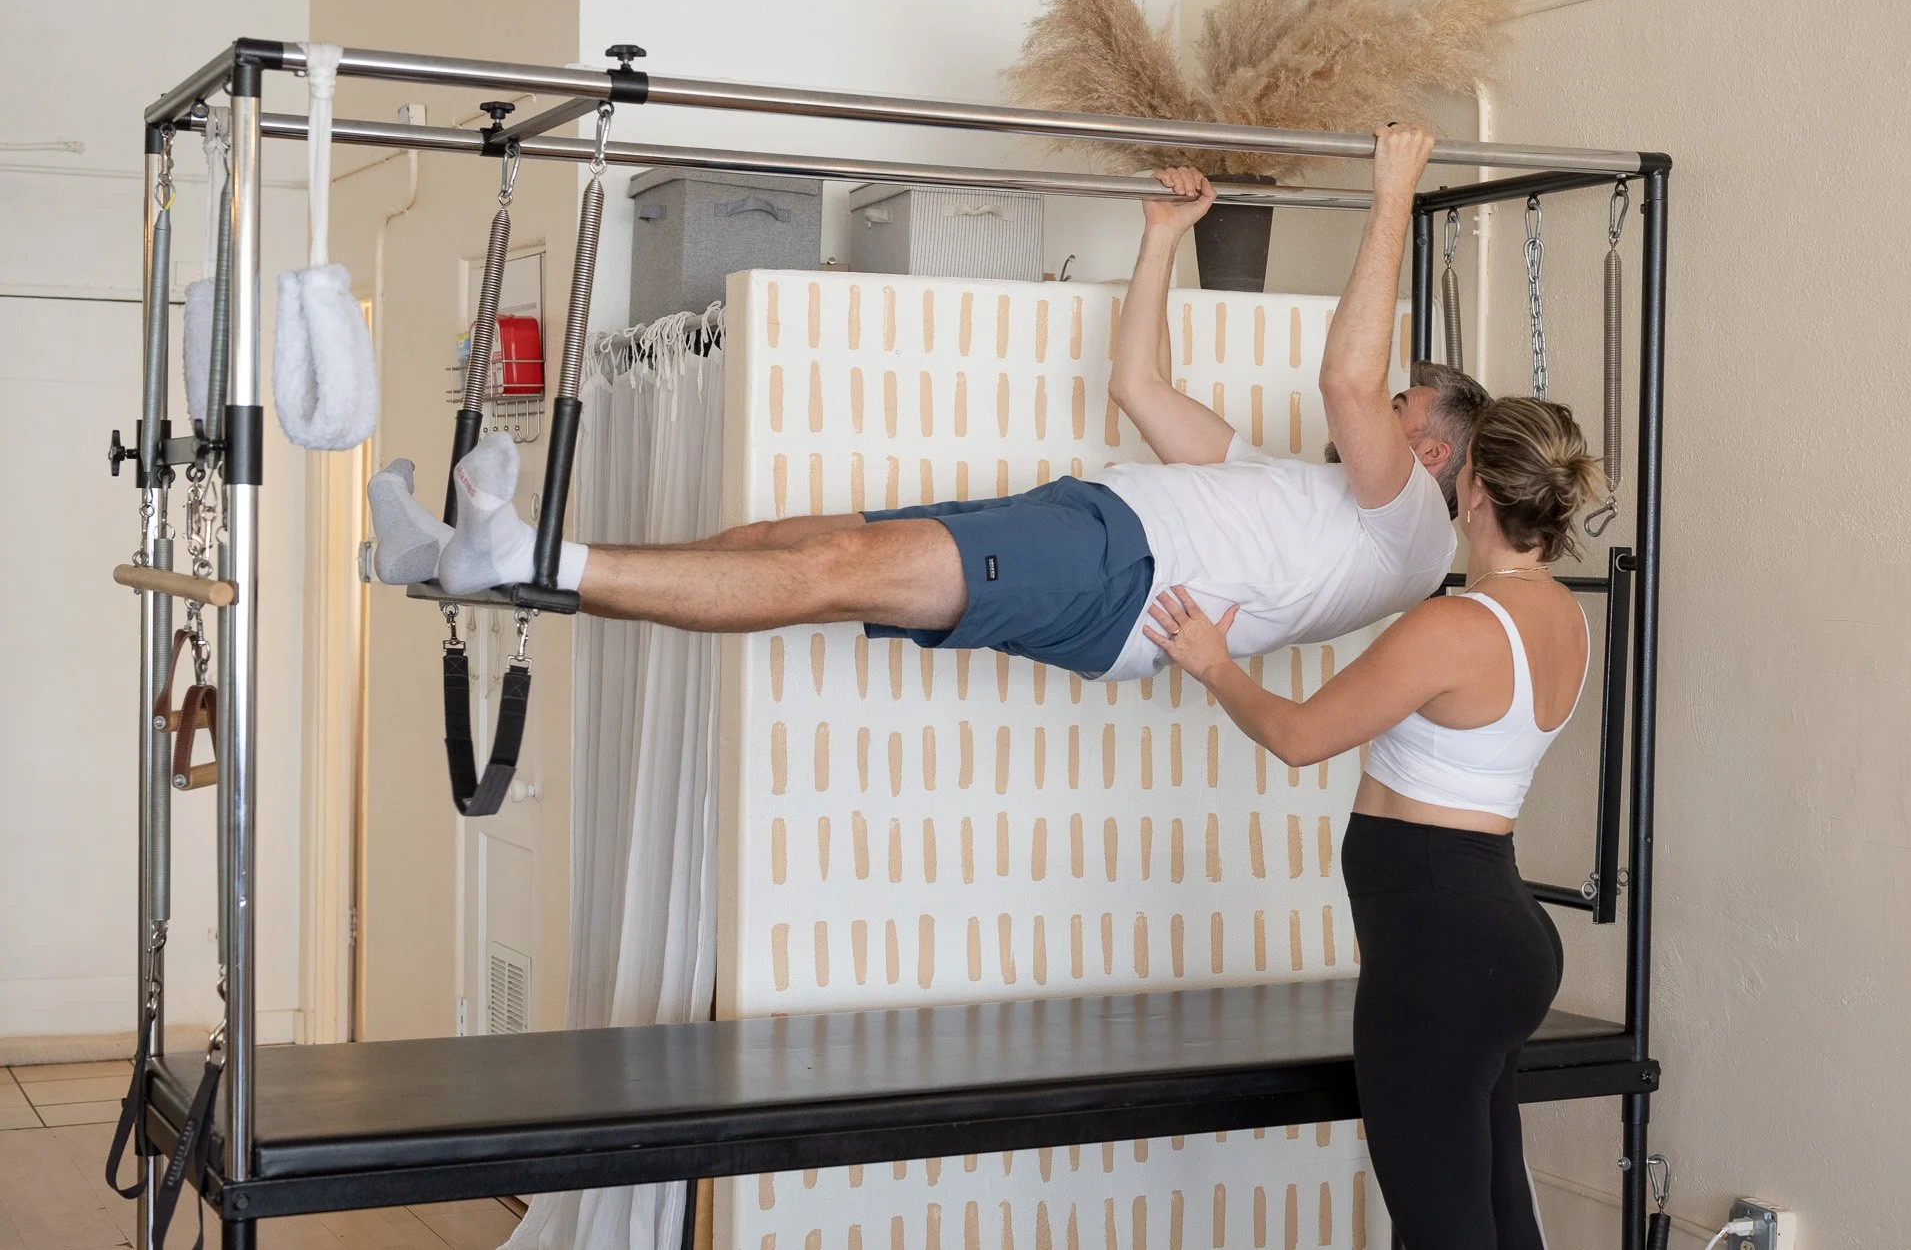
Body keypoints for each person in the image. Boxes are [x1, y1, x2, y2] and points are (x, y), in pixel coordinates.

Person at [367, 125, 1489, 681]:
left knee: (826, 572)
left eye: (1399, 407)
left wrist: (1392, 192)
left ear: (1431, 448)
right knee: (786, 544)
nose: (1371, 408)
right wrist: (1157, 243)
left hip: (1116, 572)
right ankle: (487, 559)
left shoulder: (1410, 524)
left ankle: (523, 555)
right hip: (1094, 531)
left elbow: (1344, 373)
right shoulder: (1312, 494)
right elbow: (1137, 387)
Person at [1143, 395, 1604, 1250]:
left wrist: (1212, 663)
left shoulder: (1454, 625)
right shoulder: (1568, 621)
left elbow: (1297, 734)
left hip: (1441, 952)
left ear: (1471, 491)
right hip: (1502, 939)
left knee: (1443, 1230)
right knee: (1499, 1214)